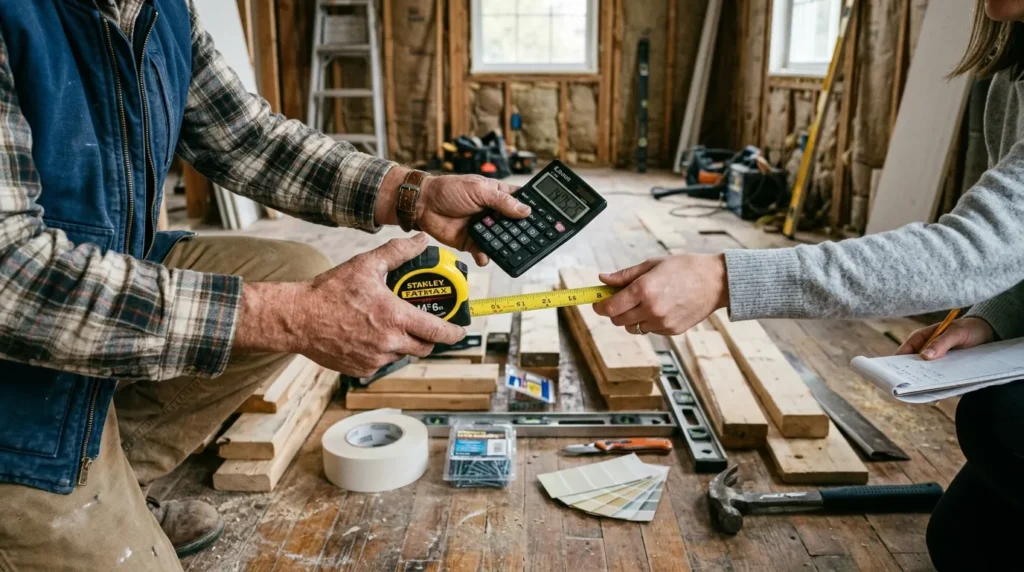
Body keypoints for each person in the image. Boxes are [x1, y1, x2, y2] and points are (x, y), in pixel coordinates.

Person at [0, 1, 530, 570]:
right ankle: (63, 491)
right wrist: (293, 316)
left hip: (99, 277)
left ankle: (120, 473)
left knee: (292, 272)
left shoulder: (156, 8)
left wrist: (415, 194)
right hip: (18, 376)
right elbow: (12, 274)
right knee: (285, 299)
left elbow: (246, 137)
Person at [593, 1, 1024, 569]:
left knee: (995, 419)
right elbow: (1016, 250)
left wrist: (726, 276)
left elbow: (972, 249)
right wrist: (992, 318)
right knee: (962, 543)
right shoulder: (1010, 73)